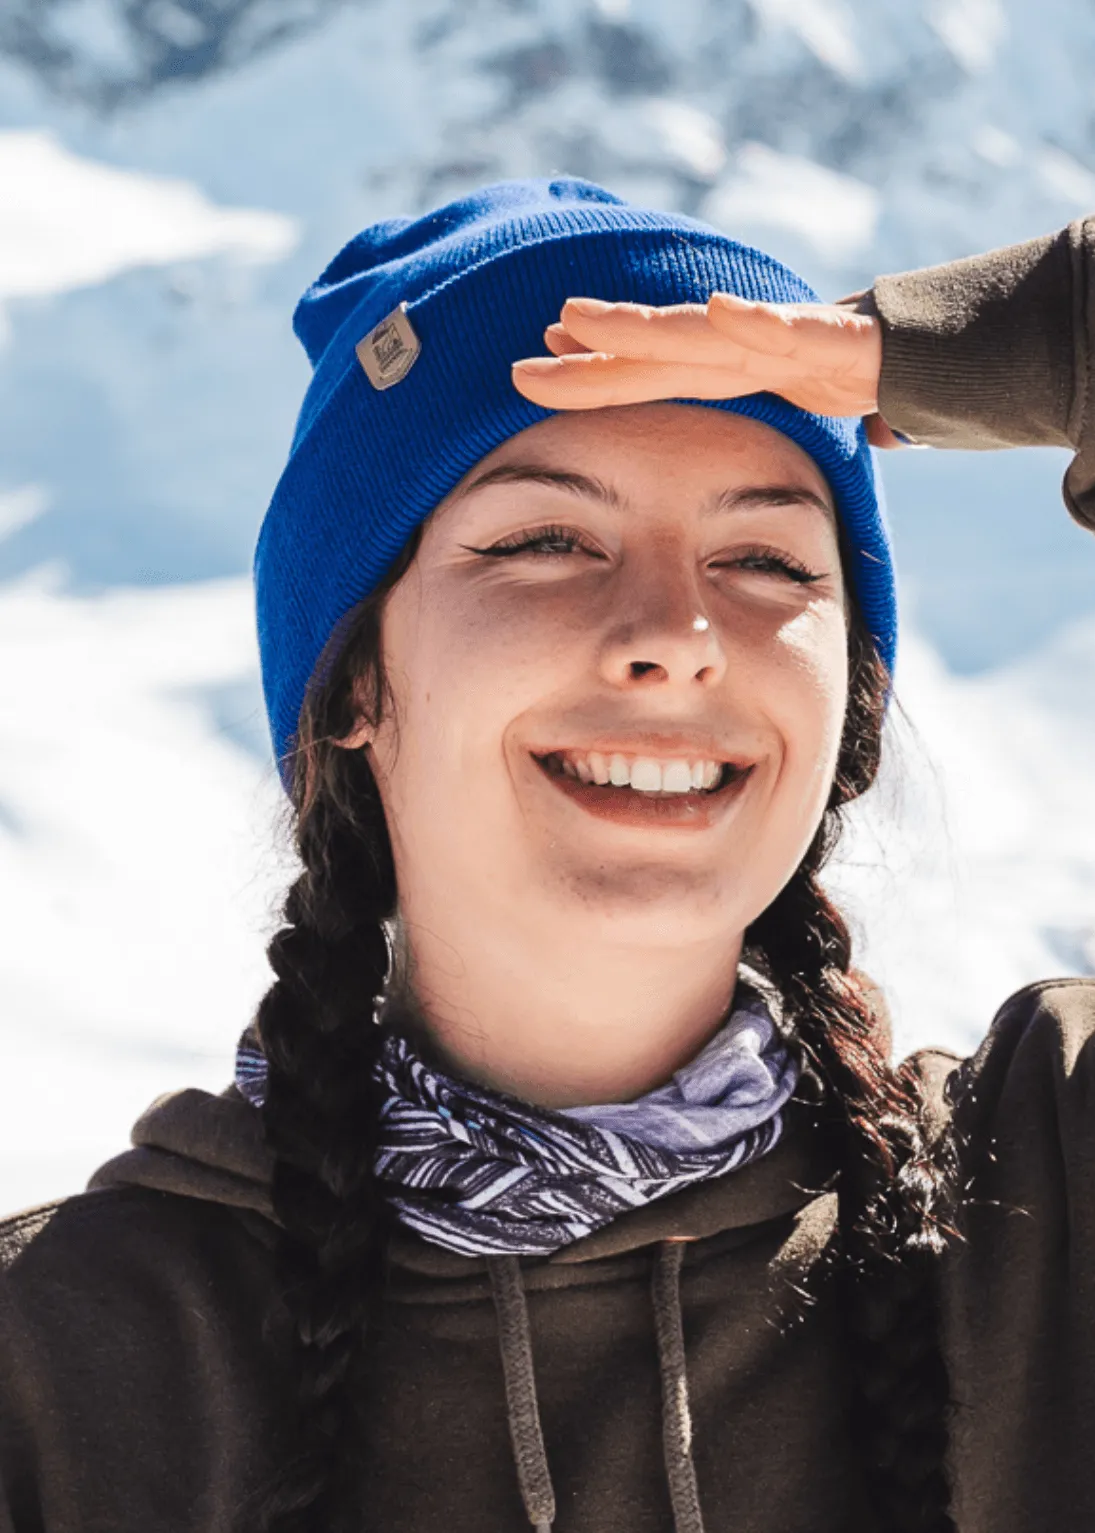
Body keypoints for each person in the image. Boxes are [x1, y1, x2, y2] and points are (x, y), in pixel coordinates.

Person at [0, 178, 1092, 1533]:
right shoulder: (65, 1362)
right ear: (353, 688)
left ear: (847, 709)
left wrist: (962, 348)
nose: (675, 630)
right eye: (543, 540)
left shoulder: (1047, 1200)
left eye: (765, 558)